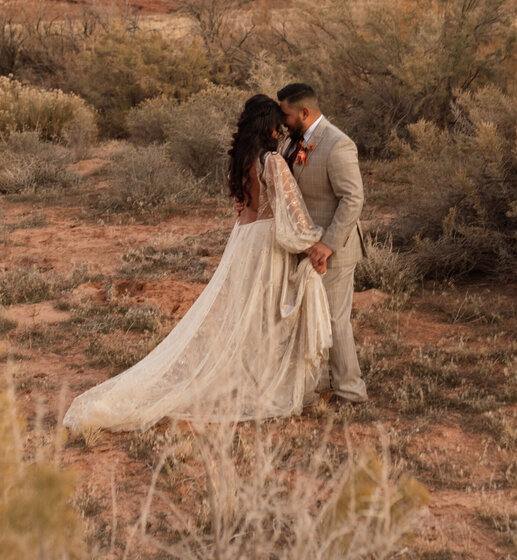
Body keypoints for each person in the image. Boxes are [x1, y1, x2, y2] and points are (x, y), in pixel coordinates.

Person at [63, 95, 333, 433]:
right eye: (277, 122)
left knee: (245, 314)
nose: (281, 128)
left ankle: (251, 378)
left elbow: (246, 204)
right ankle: (264, 384)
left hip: (243, 240)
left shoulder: (241, 159)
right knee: (266, 315)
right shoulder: (272, 161)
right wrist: (314, 244)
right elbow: (292, 213)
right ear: (269, 125)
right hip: (266, 244)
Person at [276, 83, 369, 405]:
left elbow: (352, 199)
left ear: (304, 112)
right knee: (312, 316)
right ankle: (321, 380)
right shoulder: (291, 140)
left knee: (333, 319)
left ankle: (351, 392)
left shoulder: (337, 144)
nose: (281, 120)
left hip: (335, 250)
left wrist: (327, 245)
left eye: (285, 114)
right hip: (304, 246)